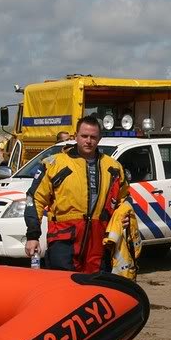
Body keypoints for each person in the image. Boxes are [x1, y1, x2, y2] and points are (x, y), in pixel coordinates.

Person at [24, 116, 135, 276]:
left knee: (95, 288)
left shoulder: (113, 168)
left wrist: (123, 215)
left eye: (93, 137)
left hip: (99, 241)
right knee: (62, 288)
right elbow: (34, 200)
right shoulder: (54, 164)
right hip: (63, 241)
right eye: (84, 136)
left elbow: (124, 199)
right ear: (75, 135)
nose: (88, 141)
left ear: (99, 138)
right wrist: (33, 236)